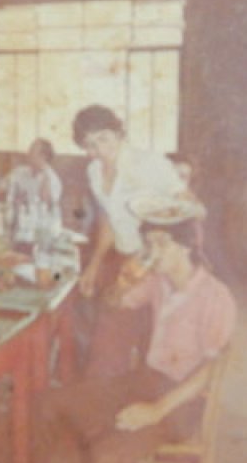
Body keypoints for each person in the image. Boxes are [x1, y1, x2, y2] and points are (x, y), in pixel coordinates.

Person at [34, 214, 237, 463]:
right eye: (149, 243)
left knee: (107, 455)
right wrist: (121, 285)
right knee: (48, 404)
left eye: (160, 243)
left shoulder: (216, 297)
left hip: (181, 402)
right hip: (144, 381)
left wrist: (157, 410)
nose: (152, 252)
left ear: (185, 246)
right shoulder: (157, 282)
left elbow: (211, 370)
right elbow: (113, 303)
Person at [72, 105, 186, 376]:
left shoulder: (149, 163)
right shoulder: (95, 172)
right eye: (90, 144)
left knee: (153, 348)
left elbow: (191, 207)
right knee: (107, 345)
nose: (99, 150)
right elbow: (109, 219)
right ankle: (106, 402)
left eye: (103, 138)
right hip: (123, 262)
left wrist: (153, 255)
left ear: (119, 133)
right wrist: (94, 265)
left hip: (158, 265)